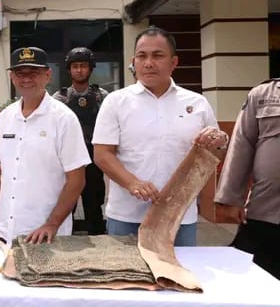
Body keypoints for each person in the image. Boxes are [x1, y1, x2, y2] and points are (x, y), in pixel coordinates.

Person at [93, 27, 228, 246]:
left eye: (157, 56)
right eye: (142, 56)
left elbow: (215, 153)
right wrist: (133, 183)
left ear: (174, 62)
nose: (148, 63)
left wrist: (219, 142)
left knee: (178, 268)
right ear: (133, 61)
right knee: (124, 269)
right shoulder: (116, 102)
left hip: (180, 216)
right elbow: (102, 154)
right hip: (126, 216)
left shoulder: (197, 103)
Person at [0, 47, 88, 244]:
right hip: (5, 231)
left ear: (47, 75)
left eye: (33, 73)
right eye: (20, 73)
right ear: (12, 77)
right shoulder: (5, 117)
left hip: (45, 236)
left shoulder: (64, 119)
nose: (26, 79)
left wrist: (52, 224)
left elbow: (77, 179)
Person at [214, 78, 280, 279]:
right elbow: (241, 145)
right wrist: (231, 199)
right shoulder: (263, 94)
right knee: (255, 277)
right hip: (266, 210)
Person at [53, 47, 109, 235]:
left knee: (94, 205)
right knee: (66, 204)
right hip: (68, 159)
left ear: (90, 68)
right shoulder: (60, 98)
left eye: (83, 66)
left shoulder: (102, 96)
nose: (79, 70)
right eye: (75, 66)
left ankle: (99, 245)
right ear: (69, 69)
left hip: (93, 158)